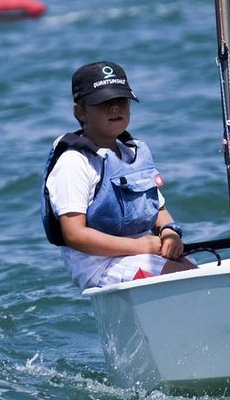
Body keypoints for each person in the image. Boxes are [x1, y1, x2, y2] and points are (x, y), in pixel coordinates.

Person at [41, 60, 196, 289]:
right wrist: (143, 247)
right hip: (101, 264)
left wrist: (169, 232)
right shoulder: (74, 162)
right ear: (80, 112)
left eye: (120, 100)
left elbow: (158, 210)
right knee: (185, 281)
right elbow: (75, 235)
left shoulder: (135, 152)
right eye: (103, 102)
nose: (114, 108)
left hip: (144, 251)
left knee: (194, 273)